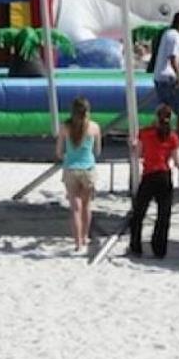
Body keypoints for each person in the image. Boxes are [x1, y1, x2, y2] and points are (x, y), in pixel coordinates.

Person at [124, 105, 179, 258]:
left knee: (139, 213)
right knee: (163, 215)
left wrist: (132, 146)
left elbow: (138, 154)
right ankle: (159, 248)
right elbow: (176, 161)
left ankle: (136, 246)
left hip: (149, 175)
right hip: (164, 175)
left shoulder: (145, 133)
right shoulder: (172, 136)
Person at [57, 96, 101, 252]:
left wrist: (68, 157)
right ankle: (84, 237)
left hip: (71, 169)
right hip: (88, 168)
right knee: (86, 206)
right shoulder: (94, 127)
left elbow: (59, 152)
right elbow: (97, 151)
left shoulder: (65, 127)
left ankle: (77, 243)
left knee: (75, 208)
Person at [151, 11, 179, 119]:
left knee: (165, 109)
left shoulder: (168, 34)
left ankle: (162, 133)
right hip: (168, 76)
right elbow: (173, 57)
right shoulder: (174, 37)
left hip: (159, 77)